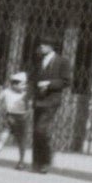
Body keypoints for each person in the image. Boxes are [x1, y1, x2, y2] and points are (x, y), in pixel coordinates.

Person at [30, 39, 72, 173]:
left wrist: (49, 84)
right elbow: (33, 79)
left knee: (41, 130)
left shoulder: (62, 61)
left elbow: (66, 81)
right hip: (38, 100)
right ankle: (36, 163)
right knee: (36, 132)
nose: (41, 47)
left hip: (51, 100)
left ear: (51, 46)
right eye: (41, 44)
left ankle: (46, 161)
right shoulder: (38, 60)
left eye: (44, 44)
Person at [0, 71, 32, 168]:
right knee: (3, 137)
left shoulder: (25, 94)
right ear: (14, 85)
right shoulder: (7, 92)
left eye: (25, 84)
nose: (24, 86)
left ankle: (21, 161)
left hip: (21, 117)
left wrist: (27, 113)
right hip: (10, 116)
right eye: (22, 84)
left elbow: (29, 106)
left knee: (21, 141)